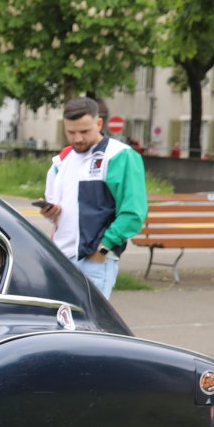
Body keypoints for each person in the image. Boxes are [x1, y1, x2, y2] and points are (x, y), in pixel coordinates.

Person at [37, 96, 147, 299]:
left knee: (88, 318)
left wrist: (103, 250)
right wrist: (51, 212)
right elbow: (58, 210)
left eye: (84, 131)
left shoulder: (120, 155)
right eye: (71, 132)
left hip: (94, 261)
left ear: (99, 124)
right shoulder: (61, 160)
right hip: (60, 257)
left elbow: (133, 212)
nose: (77, 138)